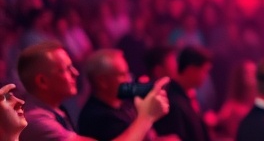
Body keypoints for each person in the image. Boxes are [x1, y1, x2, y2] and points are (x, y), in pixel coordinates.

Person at [15, 41, 169, 141]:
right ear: (42, 81)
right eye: (66, 69)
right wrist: (146, 116)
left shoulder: (55, 111)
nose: (75, 73)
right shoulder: (36, 121)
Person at [77, 49, 168, 141]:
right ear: (102, 81)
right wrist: (147, 116)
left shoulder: (123, 103)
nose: (129, 79)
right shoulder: (97, 118)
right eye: (123, 75)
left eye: (128, 73)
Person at [152, 46, 212, 141]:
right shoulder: (173, 102)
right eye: (204, 71)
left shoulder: (187, 97)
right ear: (191, 70)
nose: (206, 76)